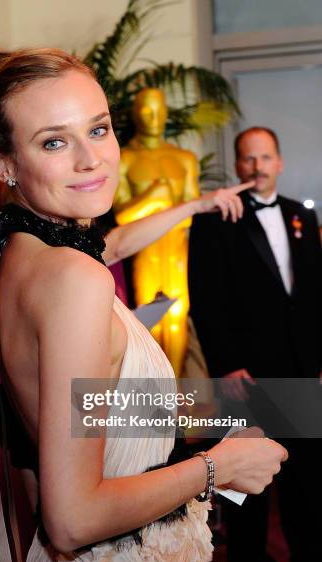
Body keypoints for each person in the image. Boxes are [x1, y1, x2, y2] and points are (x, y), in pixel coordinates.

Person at [0, 51, 287, 562]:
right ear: (4, 164)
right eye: (53, 141)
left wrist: (197, 204)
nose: (93, 160)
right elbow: (73, 518)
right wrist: (220, 466)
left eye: (98, 128)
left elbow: (86, 409)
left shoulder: (19, 248)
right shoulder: (75, 280)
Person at [188, 126, 322, 562]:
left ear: (280, 162)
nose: (257, 166)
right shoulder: (213, 222)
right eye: (248, 159)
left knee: (308, 483)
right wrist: (226, 365)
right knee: (245, 488)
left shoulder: (301, 216)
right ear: (237, 165)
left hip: (303, 371)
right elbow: (205, 301)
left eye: (265, 157)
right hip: (242, 375)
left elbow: (313, 297)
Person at [113, 88, 201, 376]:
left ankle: (174, 394)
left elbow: (191, 215)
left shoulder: (184, 158)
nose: (154, 117)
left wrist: (160, 207)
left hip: (177, 253)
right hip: (144, 254)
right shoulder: (124, 159)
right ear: (135, 113)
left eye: (159, 109)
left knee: (177, 320)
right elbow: (122, 217)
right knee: (147, 321)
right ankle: (155, 394)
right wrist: (154, 197)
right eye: (146, 109)